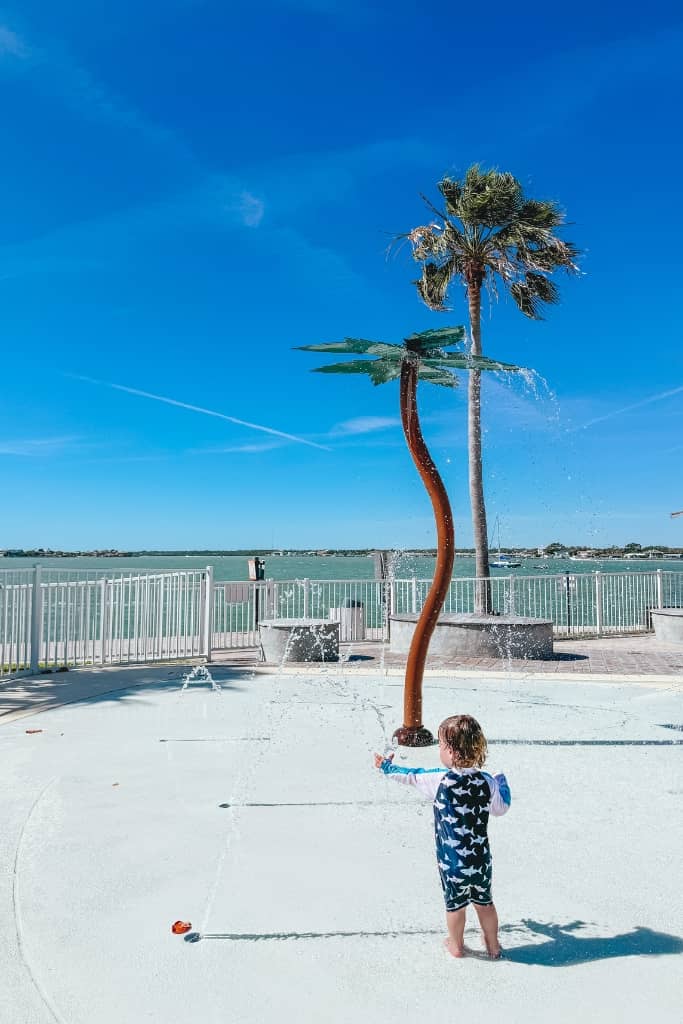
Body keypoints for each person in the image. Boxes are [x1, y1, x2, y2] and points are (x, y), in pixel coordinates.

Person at [374, 714, 510, 959]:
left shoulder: (439, 779)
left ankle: (456, 946)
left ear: (450, 752)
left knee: (455, 906)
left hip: (452, 863)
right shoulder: (487, 781)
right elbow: (501, 808)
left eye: (441, 745)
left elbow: (410, 775)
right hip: (480, 862)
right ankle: (493, 945)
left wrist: (386, 767)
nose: (439, 750)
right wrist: (502, 784)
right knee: (485, 903)